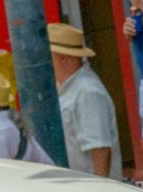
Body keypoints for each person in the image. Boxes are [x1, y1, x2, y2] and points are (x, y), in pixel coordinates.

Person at [45, 21, 119, 176]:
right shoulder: (67, 86)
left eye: (48, 55)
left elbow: (100, 149)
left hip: (89, 189)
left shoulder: (87, 93)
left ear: (63, 58)